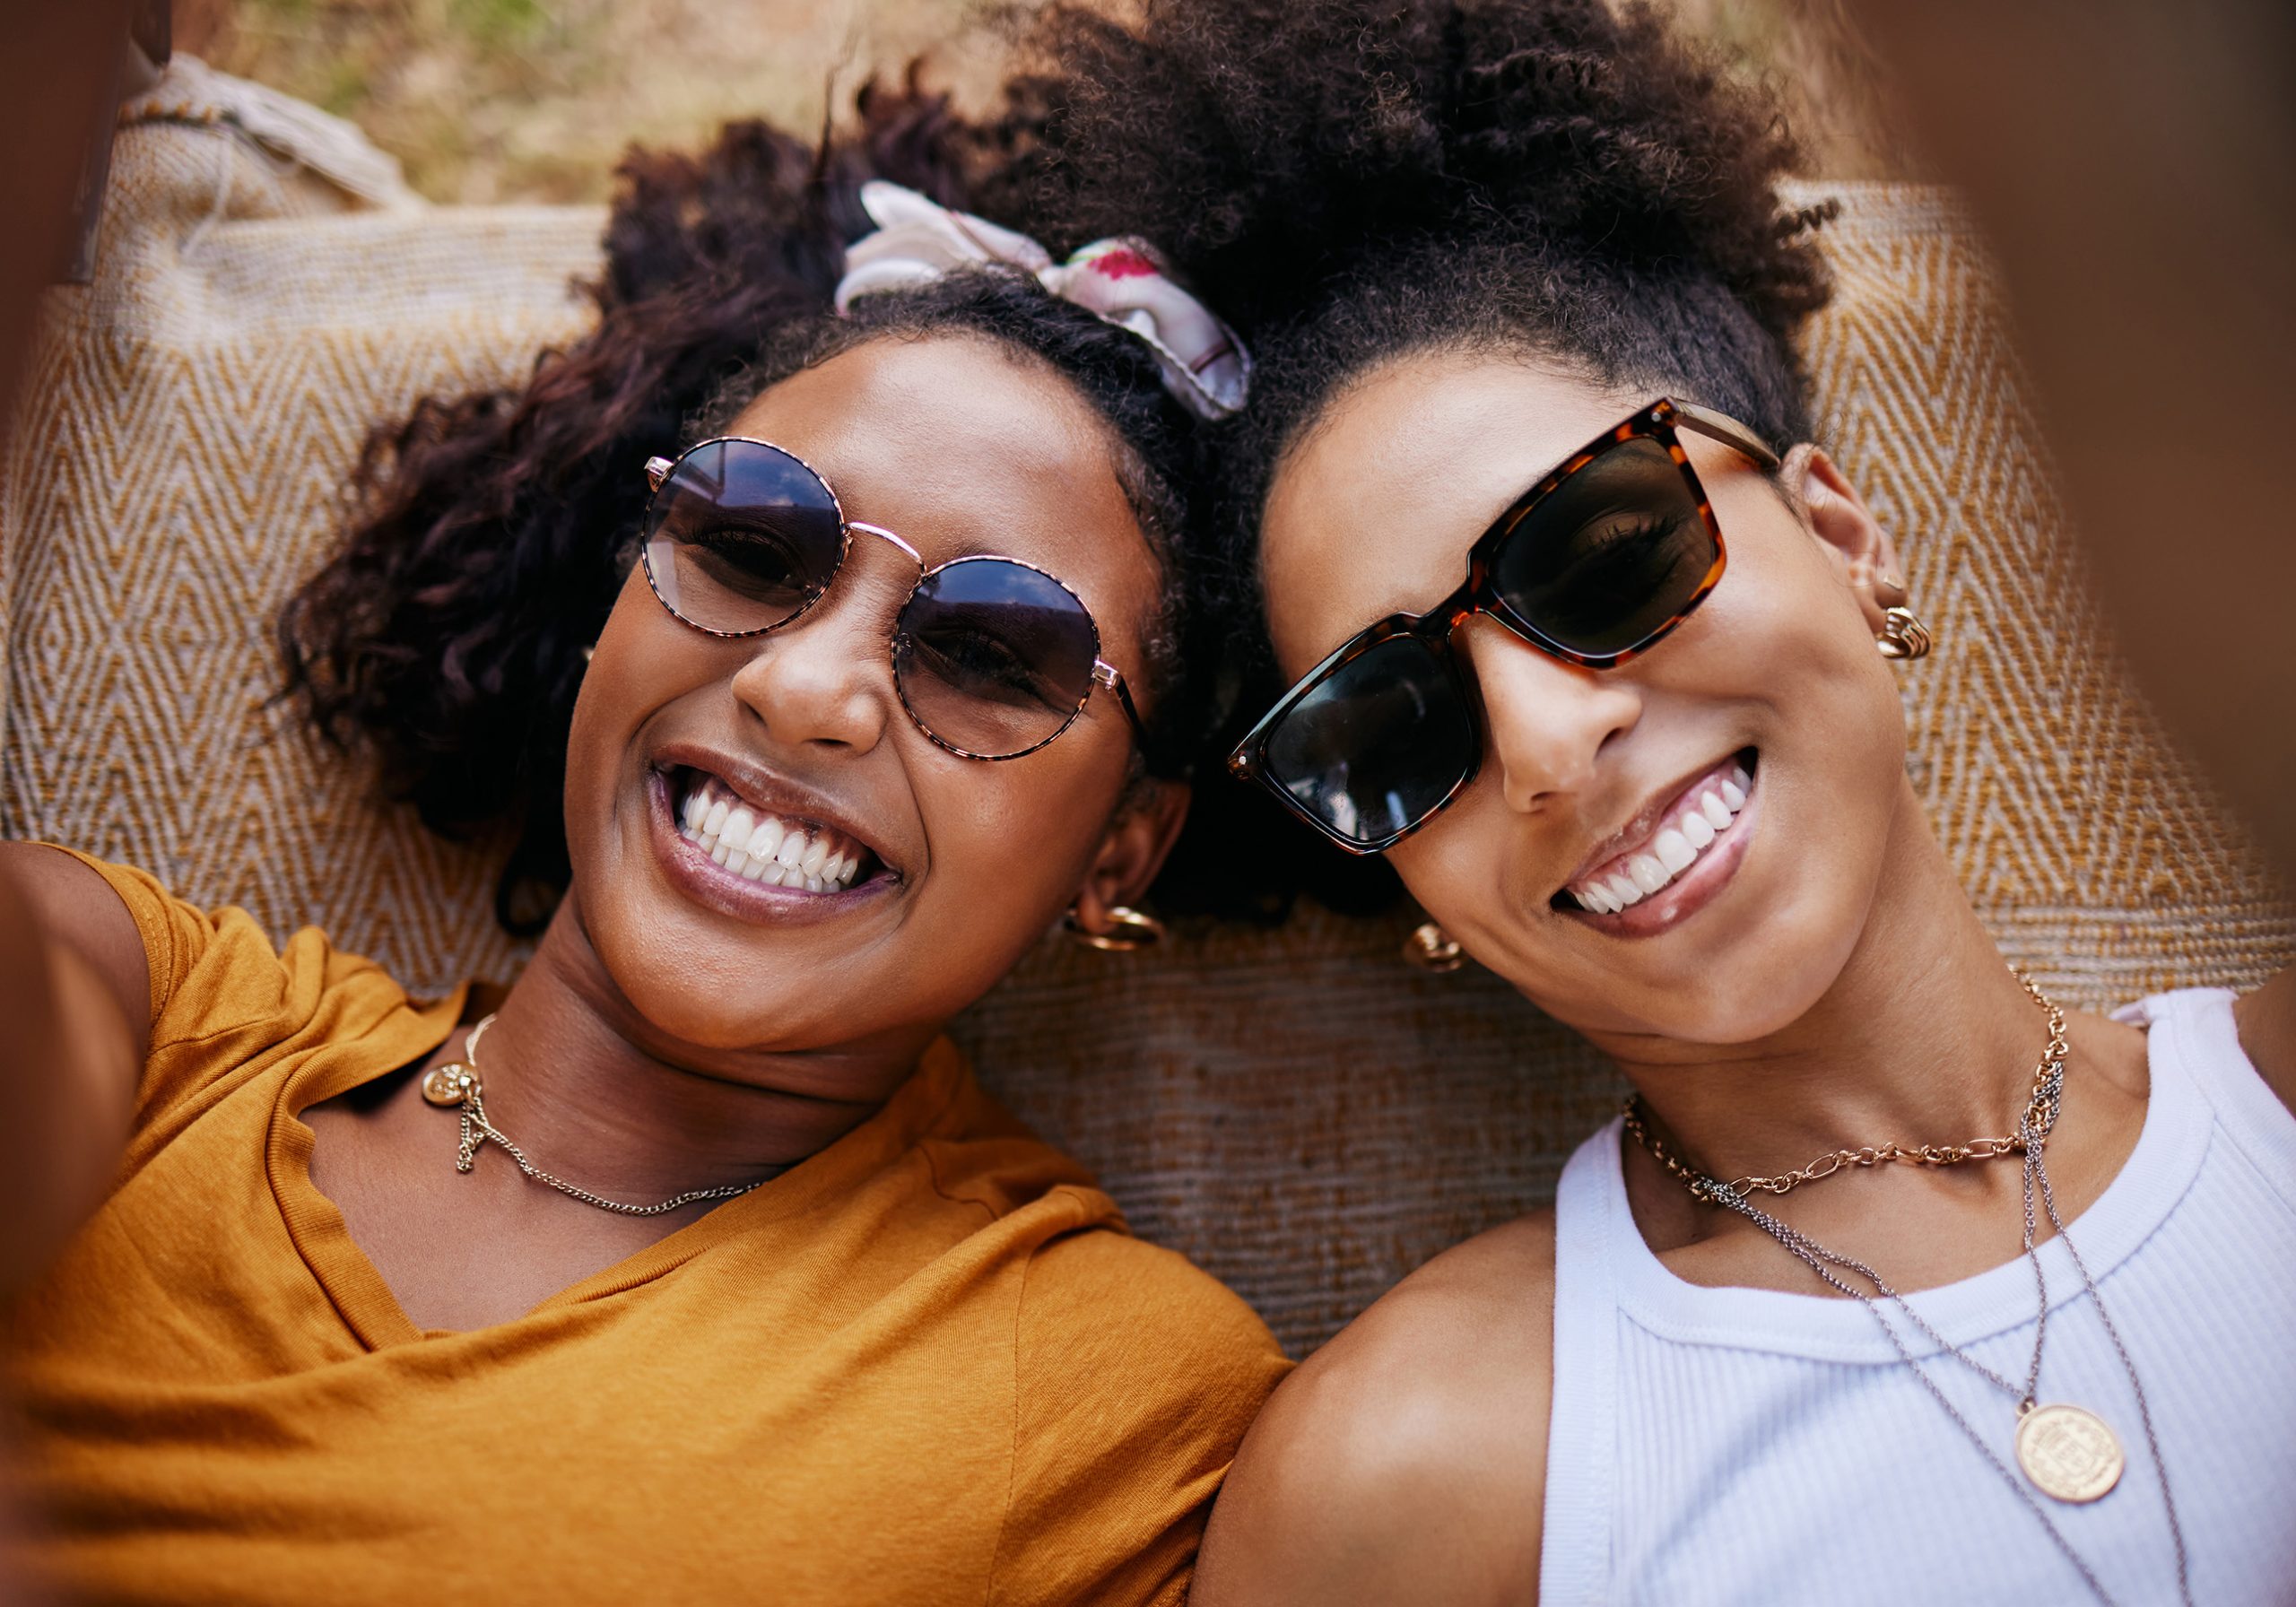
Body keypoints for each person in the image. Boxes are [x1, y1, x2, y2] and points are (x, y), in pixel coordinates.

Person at [1009, 1, 2296, 1601]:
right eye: (1393, 723)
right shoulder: (1418, 1472)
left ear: (1844, 540)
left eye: (1604, 553)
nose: (1544, 747)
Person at [0, 83, 1285, 1605]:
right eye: (754, 546)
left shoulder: (1107, 1400)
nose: (806, 690)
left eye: (996, 656)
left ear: (1119, 852)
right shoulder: (153, 1023)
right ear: (623, 592)